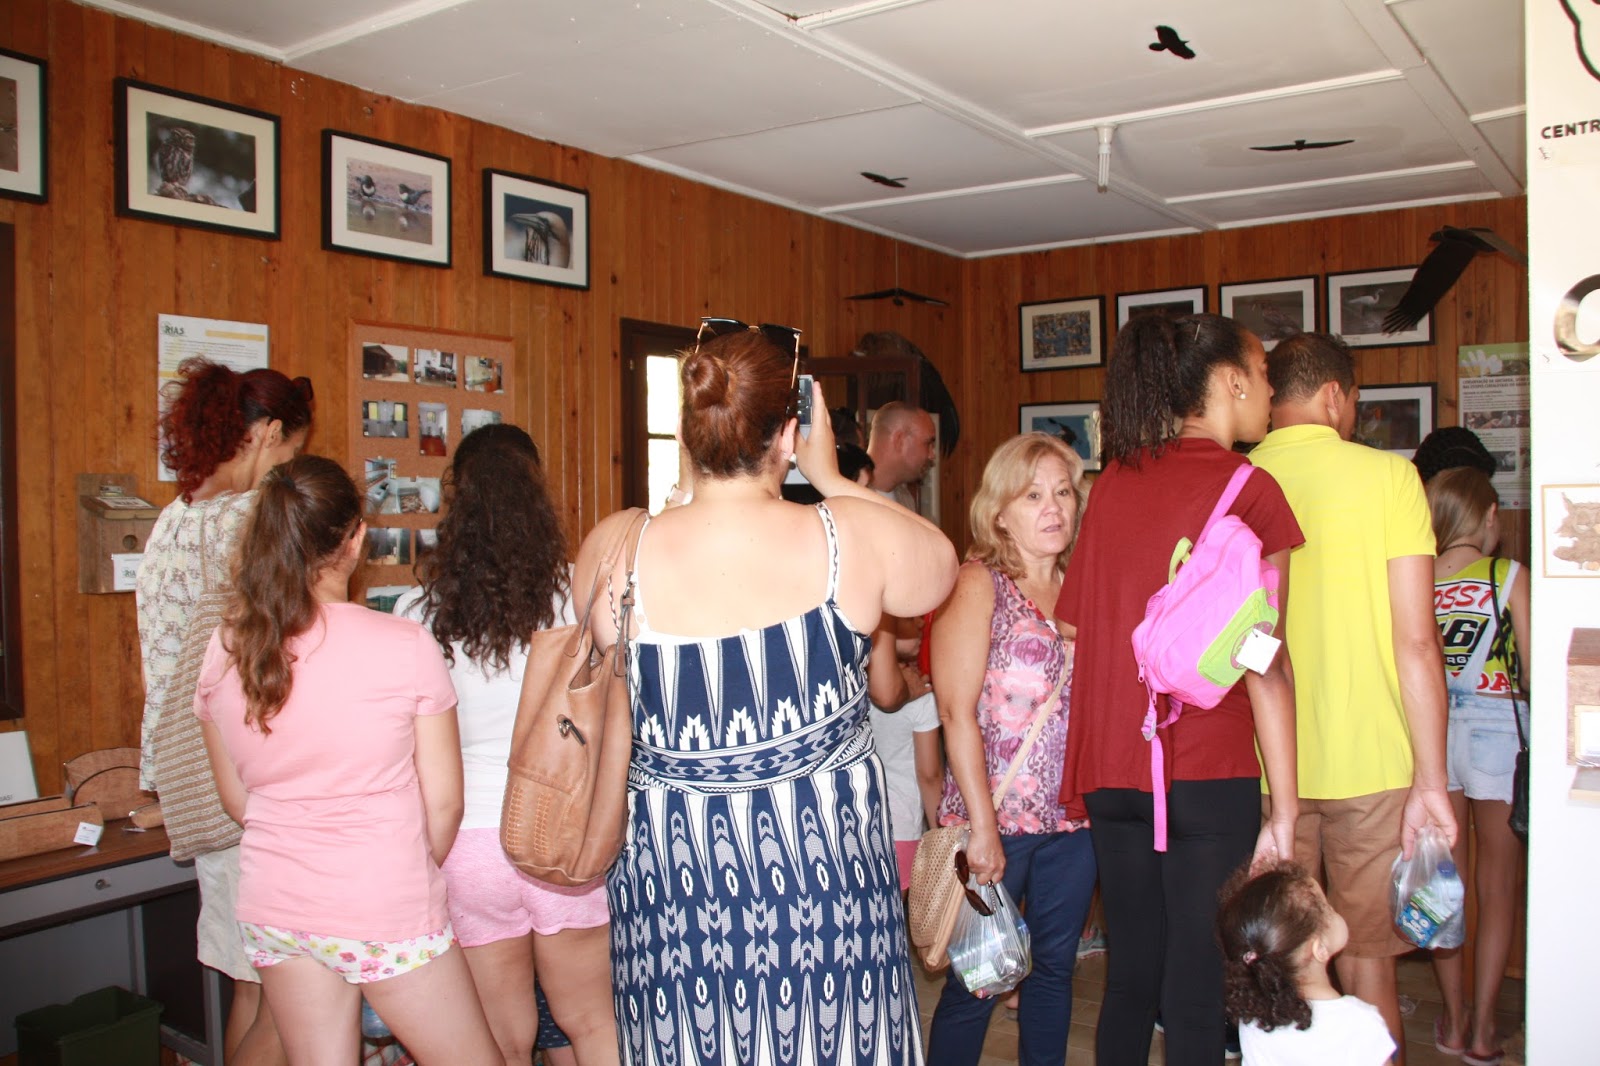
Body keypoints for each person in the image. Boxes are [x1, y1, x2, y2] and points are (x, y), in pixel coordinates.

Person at [577, 320, 957, 1065]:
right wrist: (833, 477)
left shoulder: (616, 546)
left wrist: (688, 483)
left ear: (690, 431)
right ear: (789, 433)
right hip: (825, 888)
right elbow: (939, 567)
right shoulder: (846, 538)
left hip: (676, 892)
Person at [194, 456, 500, 1066]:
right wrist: (400, 872)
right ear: (356, 539)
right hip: (383, 901)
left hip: (277, 905)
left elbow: (237, 801)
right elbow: (444, 804)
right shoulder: (403, 644)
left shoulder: (227, 647)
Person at [1055, 312, 1302, 1066]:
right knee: (1196, 992)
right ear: (1230, 381)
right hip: (1205, 768)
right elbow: (1265, 657)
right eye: (1263, 375)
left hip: (1113, 768)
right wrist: (1286, 810)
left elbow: (1076, 626)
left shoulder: (1113, 482)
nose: (1270, 392)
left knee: (1131, 979)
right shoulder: (1252, 489)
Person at [1249, 332, 1458, 1059]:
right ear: (1336, 396)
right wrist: (1433, 779)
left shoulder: (1239, 478)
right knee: (1370, 958)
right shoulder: (1389, 478)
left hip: (1267, 762)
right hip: (1374, 759)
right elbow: (1417, 642)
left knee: (1284, 961)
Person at [394, 424, 617, 1066]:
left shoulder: (417, 613)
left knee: (502, 1039)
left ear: (456, 502)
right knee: (592, 1024)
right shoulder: (576, 596)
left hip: (468, 842)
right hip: (565, 832)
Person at [136, 358, 314, 1066]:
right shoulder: (251, 517)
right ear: (268, 433)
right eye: (292, 451)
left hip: (190, 773)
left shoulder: (171, 520)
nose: (288, 468)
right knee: (288, 991)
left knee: (251, 977)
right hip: (248, 774)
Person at [928, 432, 1098, 1066]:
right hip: (995, 818)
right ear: (999, 512)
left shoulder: (1084, 585)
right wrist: (982, 828)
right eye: (1032, 496)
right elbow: (955, 712)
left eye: (1063, 492)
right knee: (979, 982)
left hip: (1073, 822)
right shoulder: (979, 584)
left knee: (1054, 972)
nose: (1053, 507)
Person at [1424, 467, 1528, 1065]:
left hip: (1434, 733)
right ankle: (1486, 1030)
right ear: (1489, 517)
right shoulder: (1508, 575)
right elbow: (1534, 672)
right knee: (1497, 885)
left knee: (1446, 883)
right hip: (1497, 734)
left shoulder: (1417, 577)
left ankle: (1454, 1020)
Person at [1218, 862, 1397, 1066]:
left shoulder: (1253, 1016)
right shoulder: (1360, 1024)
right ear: (1319, 949)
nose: (1334, 909)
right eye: (1328, 908)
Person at [867, 400, 938, 509]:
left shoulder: (906, 499)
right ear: (899, 440)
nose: (932, 455)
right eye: (927, 443)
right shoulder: (848, 495)